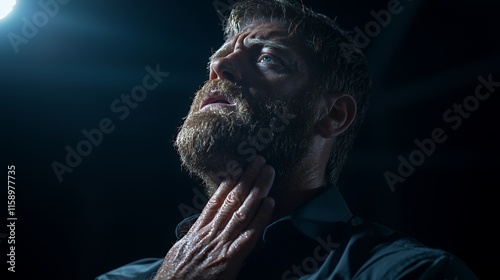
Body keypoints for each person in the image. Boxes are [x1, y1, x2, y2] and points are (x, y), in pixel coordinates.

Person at [96, 0, 480, 279]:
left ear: (332, 115)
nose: (219, 66)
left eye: (268, 59)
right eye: (218, 58)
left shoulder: (411, 274)